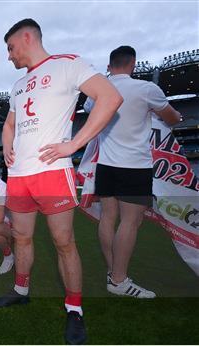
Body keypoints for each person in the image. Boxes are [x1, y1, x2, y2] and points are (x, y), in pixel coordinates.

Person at [0, 19, 123, 344]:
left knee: (64, 243)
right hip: (19, 176)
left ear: (27, 38)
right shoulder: (18, 86)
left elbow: (109, 98)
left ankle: (74, 310)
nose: (9, 56)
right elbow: (10, 124)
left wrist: (73, 144)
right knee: (21, 238)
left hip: (52, 172)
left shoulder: (68, 65)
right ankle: (21, 290)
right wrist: (7, 144)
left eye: (11, 48)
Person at [83, 46, 182, 299]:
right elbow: (171, 118)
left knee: (108, 218)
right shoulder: (146, 89)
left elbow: (89, 110)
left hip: (105, 165)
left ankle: (113, 271)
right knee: (130, 222)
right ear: (133, 64)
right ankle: (118, 280)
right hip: (134, 166)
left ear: (110, 64)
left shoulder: (97, 92)